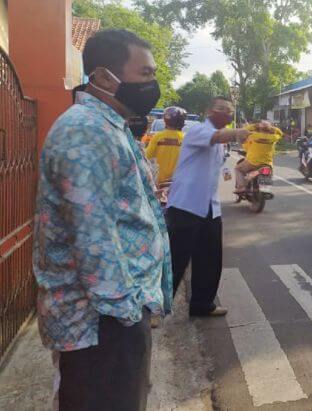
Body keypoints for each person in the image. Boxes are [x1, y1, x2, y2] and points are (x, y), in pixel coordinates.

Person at [33, 29, 171, 410]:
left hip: (114, 318)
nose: (153, 84)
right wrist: (129, 315)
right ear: (104, 77)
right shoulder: (85, 132)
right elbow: (92, 240)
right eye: (145, 74)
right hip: (101, 326)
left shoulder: (110, 126)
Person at [166, 96, 252, 317]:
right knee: (176, 260)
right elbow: (216, 136)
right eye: (221, 109)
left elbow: (220, 164)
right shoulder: (197, 130)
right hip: (185, 204)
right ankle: (158, 308)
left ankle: (202, 304)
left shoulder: (221, 142)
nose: (227, 113)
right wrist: (237, 132)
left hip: (210, 207)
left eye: (230, 111)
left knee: (210, 259)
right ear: (209, 111)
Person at [234, 121, 282, 193]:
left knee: (238, 169)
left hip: (252, 162)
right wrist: (270, 127)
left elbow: (244, 131)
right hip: (267, 163)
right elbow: (280, 132)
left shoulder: (252, 136)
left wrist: (255, 125)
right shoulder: (274, 138)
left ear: (258, 128)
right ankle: (265, 189)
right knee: (268, 171)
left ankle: (241, 187)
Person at [145, 106, 186, 183]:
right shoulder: (185, 138)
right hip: (177, 182)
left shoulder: (158, 136)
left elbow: (147, 156)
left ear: (165, 120)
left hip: (158, 181)